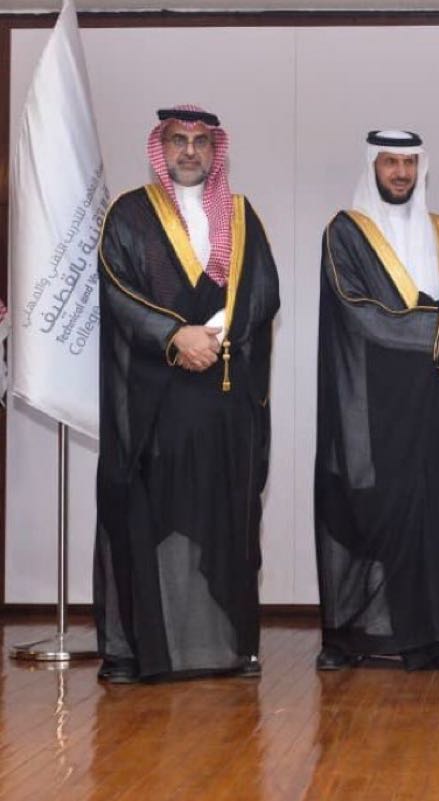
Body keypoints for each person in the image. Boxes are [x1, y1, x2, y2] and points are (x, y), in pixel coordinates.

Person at [95, 105, 279, 683]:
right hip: (155, 395)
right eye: (178, 140)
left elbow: (263, 292)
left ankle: (226, 647)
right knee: (149, 513)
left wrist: (214, 333)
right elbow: (117, 289)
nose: (190, 152)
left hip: (222, 395)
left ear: (215, 150)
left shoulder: (242, 215)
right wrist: (174, 336)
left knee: (223, 515)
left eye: (201, 142)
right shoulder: (130, 213)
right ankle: (136, 652)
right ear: (162, 147)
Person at [314, 130, 439, 671]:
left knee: (432, 515)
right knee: (367, 511)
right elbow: (355, 309)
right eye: (390, 162)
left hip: (430, 397)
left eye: (409, 163)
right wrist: (434, 325)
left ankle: (431, 636)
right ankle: (351, 637)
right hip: (370, 400)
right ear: (373, 166)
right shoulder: (345, 232)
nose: (401, 173)